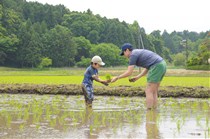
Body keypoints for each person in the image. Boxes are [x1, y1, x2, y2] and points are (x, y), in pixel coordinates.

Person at [111, 43, 167, 109]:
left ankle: (149, 110)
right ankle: (154, 110)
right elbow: (148, 67)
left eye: (123, 53)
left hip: (156, 66)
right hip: (162, 64)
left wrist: (117, 77)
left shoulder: (133, 55)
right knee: (153, 91)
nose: (124, 56)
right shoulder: (137, 52)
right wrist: (138, 77)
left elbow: (129, 72)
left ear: (127, 50)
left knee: (148, 91)